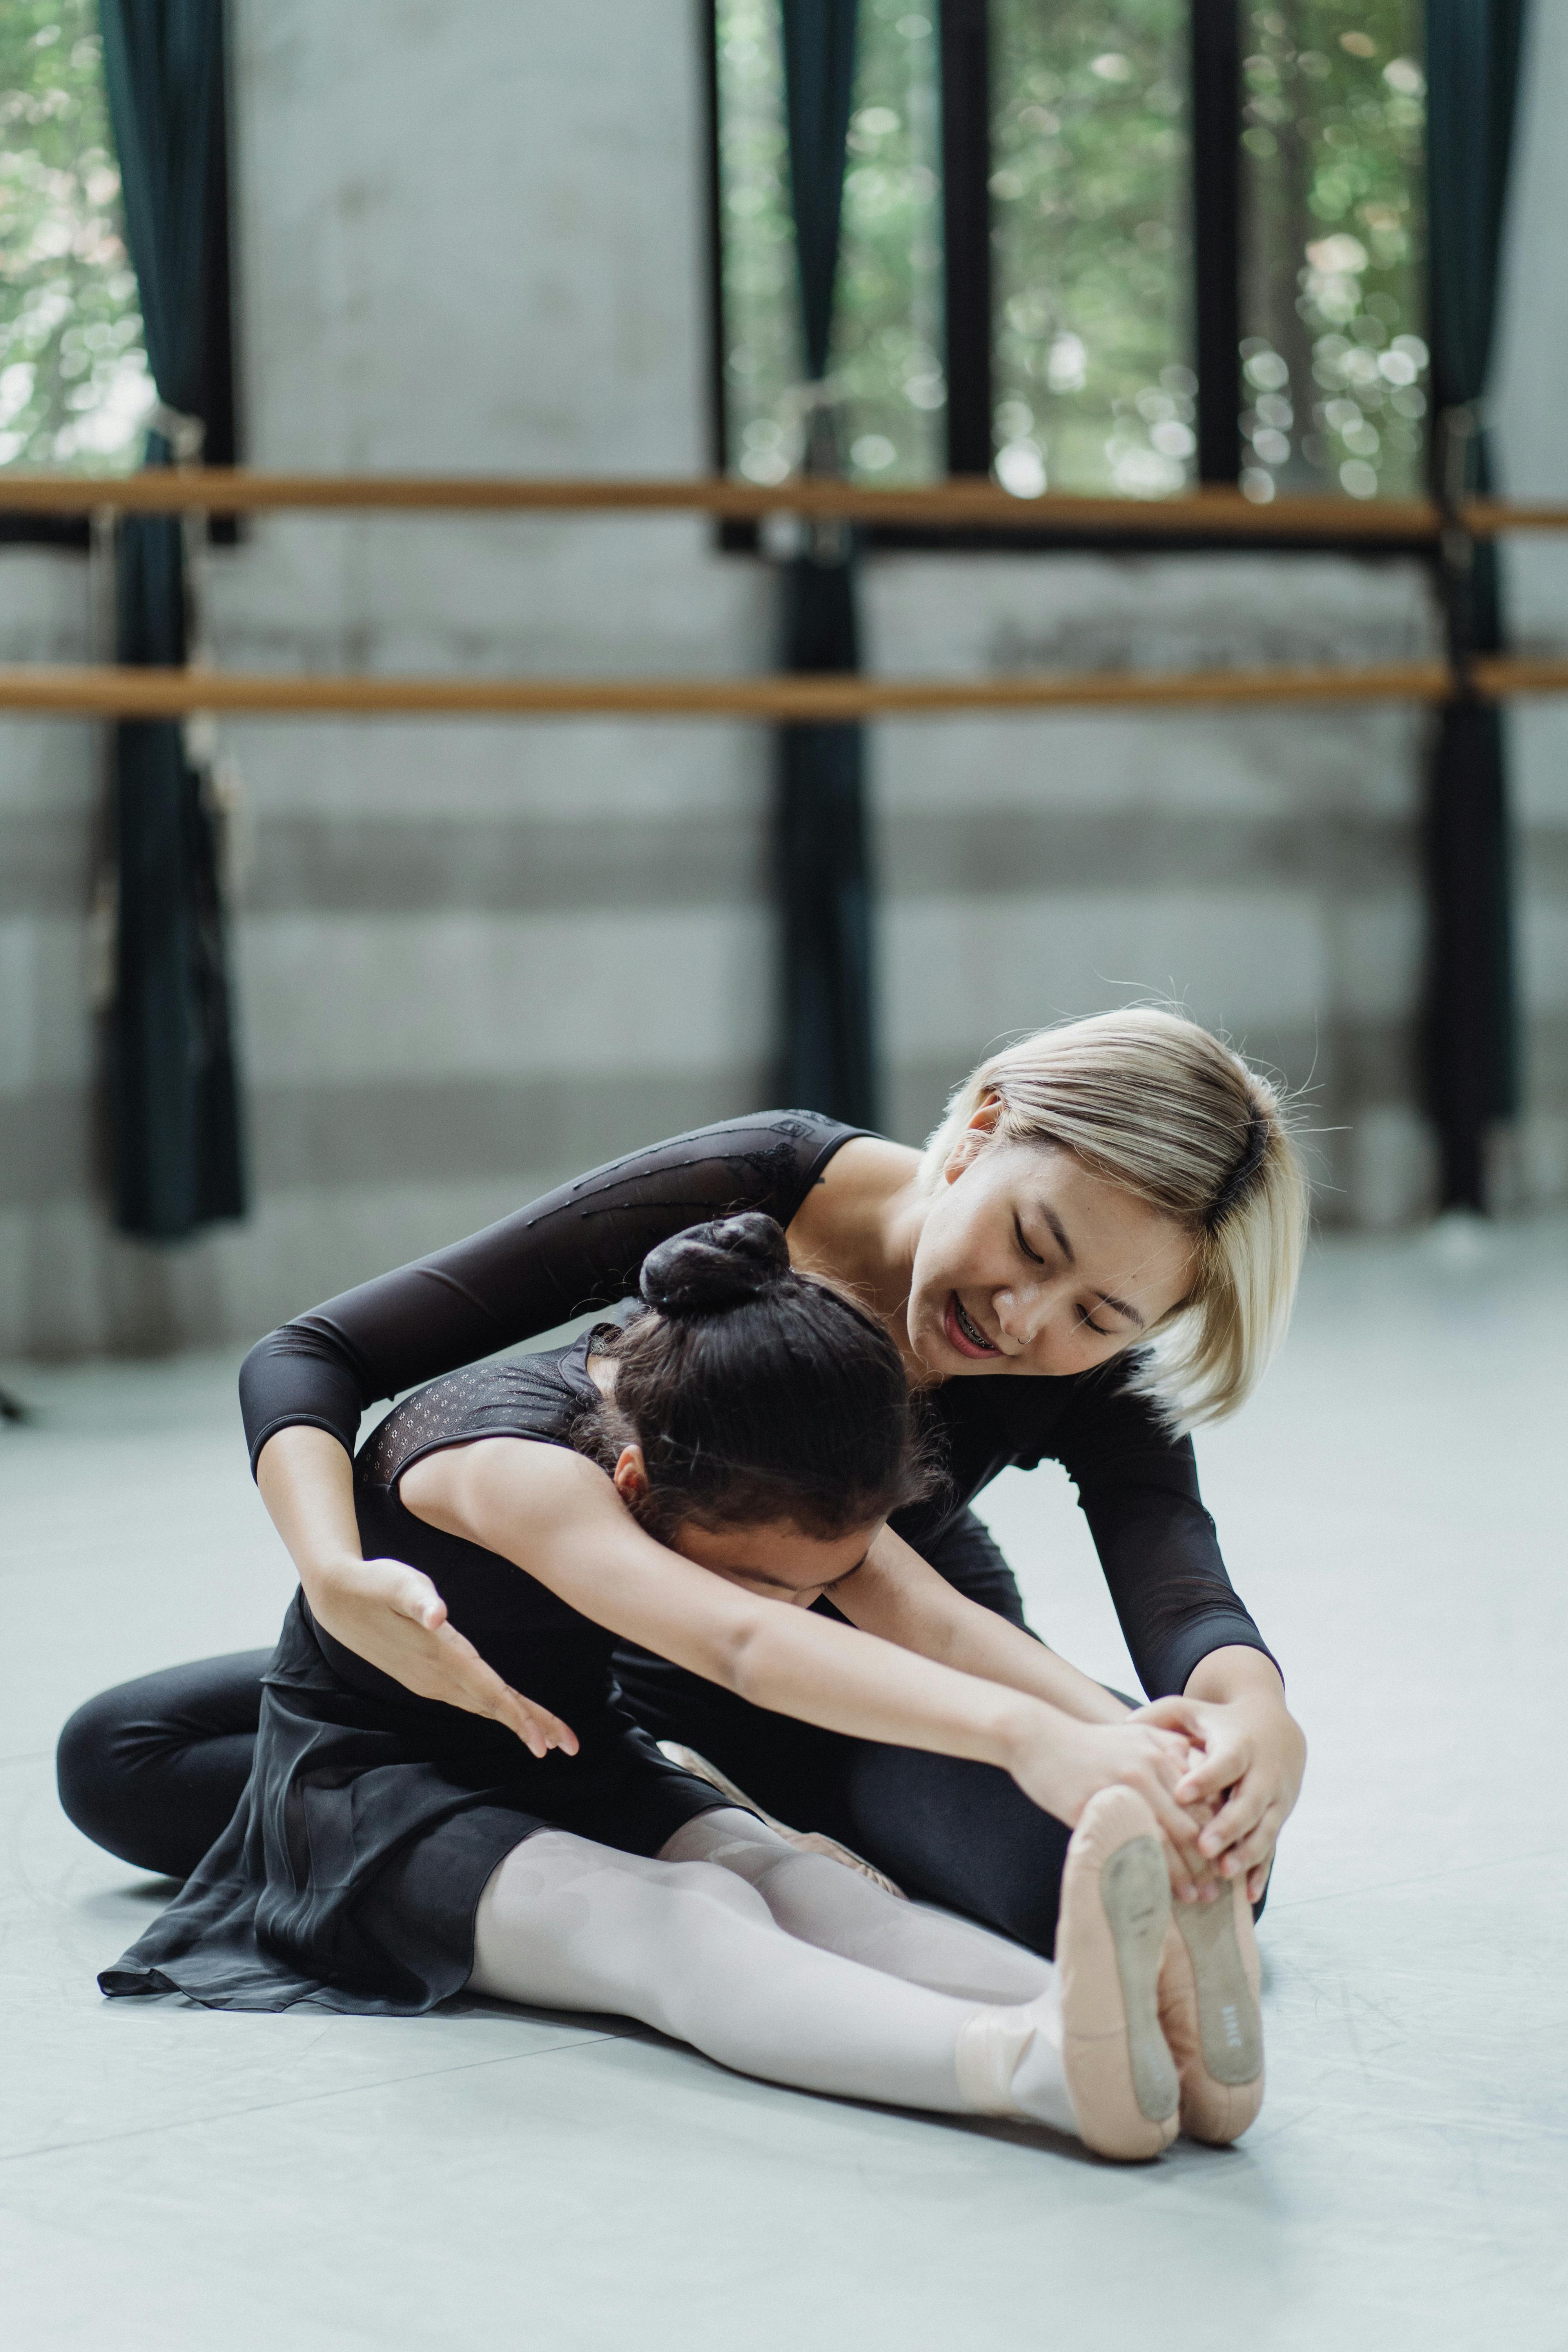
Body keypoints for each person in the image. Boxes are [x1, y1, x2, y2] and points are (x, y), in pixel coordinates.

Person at [60, 1008, 1309, 1960]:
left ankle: (691, 1804)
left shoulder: (1083, 1359)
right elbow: (316, 1356)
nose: (1024, 1314)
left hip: (856, 1666)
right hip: (590, 1641)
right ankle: (652, 1799)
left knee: (1159, 1871)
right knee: (123, 1753)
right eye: (1032, 1242)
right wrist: (335, 1576)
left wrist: (1255, 1720)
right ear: (978, 1129)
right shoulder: (762, 1182)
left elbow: (1170, 1557)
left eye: (1100, 1312)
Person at [98, 1216, 1258, 2161]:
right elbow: (743, 1648)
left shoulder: (760, 1438)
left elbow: (933, 1619)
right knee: (681, 1927)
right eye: (769, 1578)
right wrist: (1020, 1740)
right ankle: (1035, 2066)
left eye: (827, 1576)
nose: (801, 1602)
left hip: (571, 1750)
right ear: (637, 1481)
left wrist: (1135, 1742)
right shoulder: (504, 1469)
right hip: (371, 1793)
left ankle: (1152, 2030)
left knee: (792, 1881)